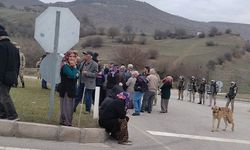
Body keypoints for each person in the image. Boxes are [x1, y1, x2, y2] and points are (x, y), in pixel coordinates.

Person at [0, 25, 19, 120]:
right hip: (12, 76)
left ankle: (13, 115)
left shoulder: (1, 46)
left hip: (3, 77)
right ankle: (3, 113)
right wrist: (16, 76)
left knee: (4, 96)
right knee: (2, 95)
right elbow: (18, 64)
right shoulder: (14, 48)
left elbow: (1, 64)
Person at [57, 50, 79, 126]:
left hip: (71, 90)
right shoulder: (65, 66)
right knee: (66, 107)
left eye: (74, 56)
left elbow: (77, 76)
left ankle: (64, 121)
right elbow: (72, 75)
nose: (72, 58)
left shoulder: (73, 67)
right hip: (66, 90)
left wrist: (76, 70)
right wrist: (76, 69)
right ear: (67, 57)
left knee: (69, 107)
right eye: (70, 56)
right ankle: (66, 122)